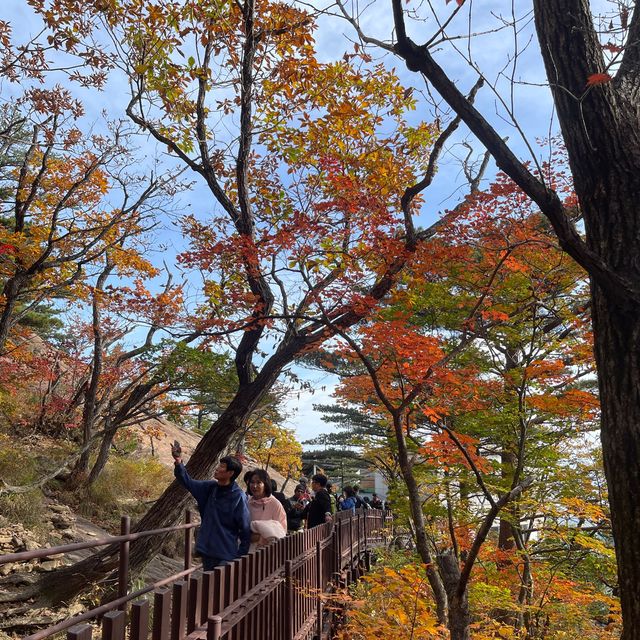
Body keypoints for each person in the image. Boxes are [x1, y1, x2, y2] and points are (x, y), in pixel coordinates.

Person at [172, 443, 251, 571]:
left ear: (230, 473)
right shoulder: (210, 488)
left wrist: (240, 556)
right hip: (208, 550)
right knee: (209, 587)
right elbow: (188, 481)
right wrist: (178, 461)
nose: (217, 468)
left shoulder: (238, 496)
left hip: (226, 553)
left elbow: (245, 528)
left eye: (222, 466)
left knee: (220, 587)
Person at [247, 469, 287, 551]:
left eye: (258, 482)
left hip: (268, 551)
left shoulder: (275, 504)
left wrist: (259, 537)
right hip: (247, 550)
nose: (254, 486)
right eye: (252, 482)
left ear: (265, 484)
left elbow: (281, 530)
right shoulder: (247, 502)